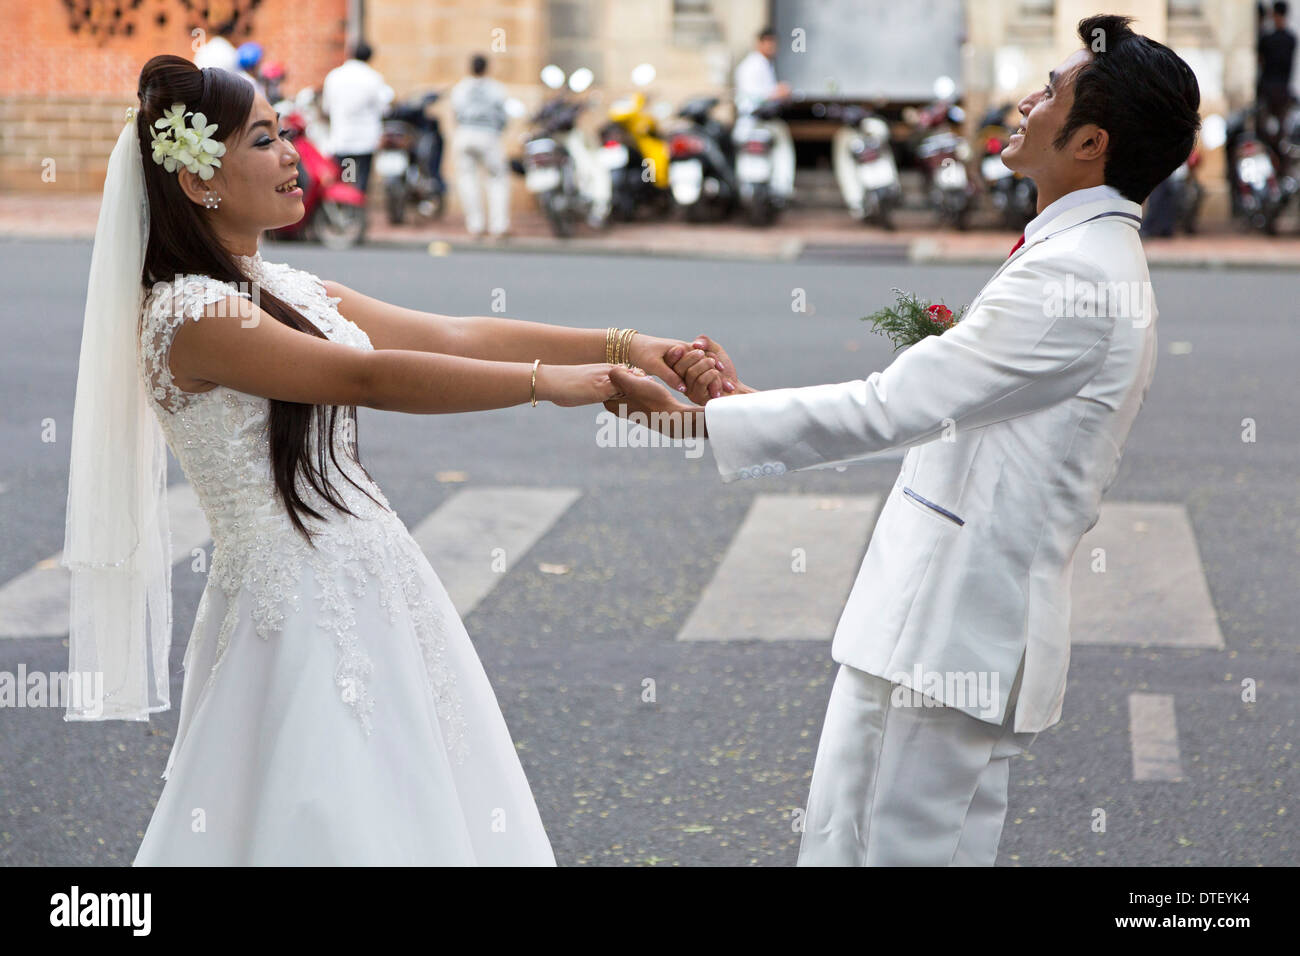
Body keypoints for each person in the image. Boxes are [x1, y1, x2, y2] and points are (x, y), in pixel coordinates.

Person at [62, 55, 718, 864]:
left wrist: (628, 345)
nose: (293, 151)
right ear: (201, 180)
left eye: (285, 130)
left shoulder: (283, 285)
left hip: (374, 578)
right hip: (295, 607)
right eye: (264, 139)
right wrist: (562, 384)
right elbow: (366, 376)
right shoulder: (188, 313)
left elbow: (451, 334)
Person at [608, 15, 1200, 866]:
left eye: (1050, 92)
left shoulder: (1077, 274)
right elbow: (934, 408)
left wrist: (698, 420)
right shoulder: (1081, 255)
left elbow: (896, 405)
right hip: (941, 632)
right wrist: (743, 406)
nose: (1025, 103)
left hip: (947, 635)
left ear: (1090, 143)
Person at [321, 41, 394, 195]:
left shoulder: (335, 76)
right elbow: (385, 108)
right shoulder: (373, 78)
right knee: (361, 182)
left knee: (347, 179)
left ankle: (348, 212)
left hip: (343, 138)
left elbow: (326, 108)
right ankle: (357, 210)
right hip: (366, 140)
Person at [450, 54, 511, 238]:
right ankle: (498, 226)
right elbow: (503, 115)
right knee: (497, 179)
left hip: (465, 134)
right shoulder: (496, 88)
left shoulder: (461, 88)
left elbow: (456, 113)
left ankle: (475, 225)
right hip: (489, 135)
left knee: (467, 179)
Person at [1257, 1, 1297, 170]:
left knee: (1266, 133)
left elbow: (1261, 61)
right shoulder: (1291, 39)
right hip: (1282, 92)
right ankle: (1281, 168)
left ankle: (1273, 166)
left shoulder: (1267, 39)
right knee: (1282, 136)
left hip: (1269, 91)